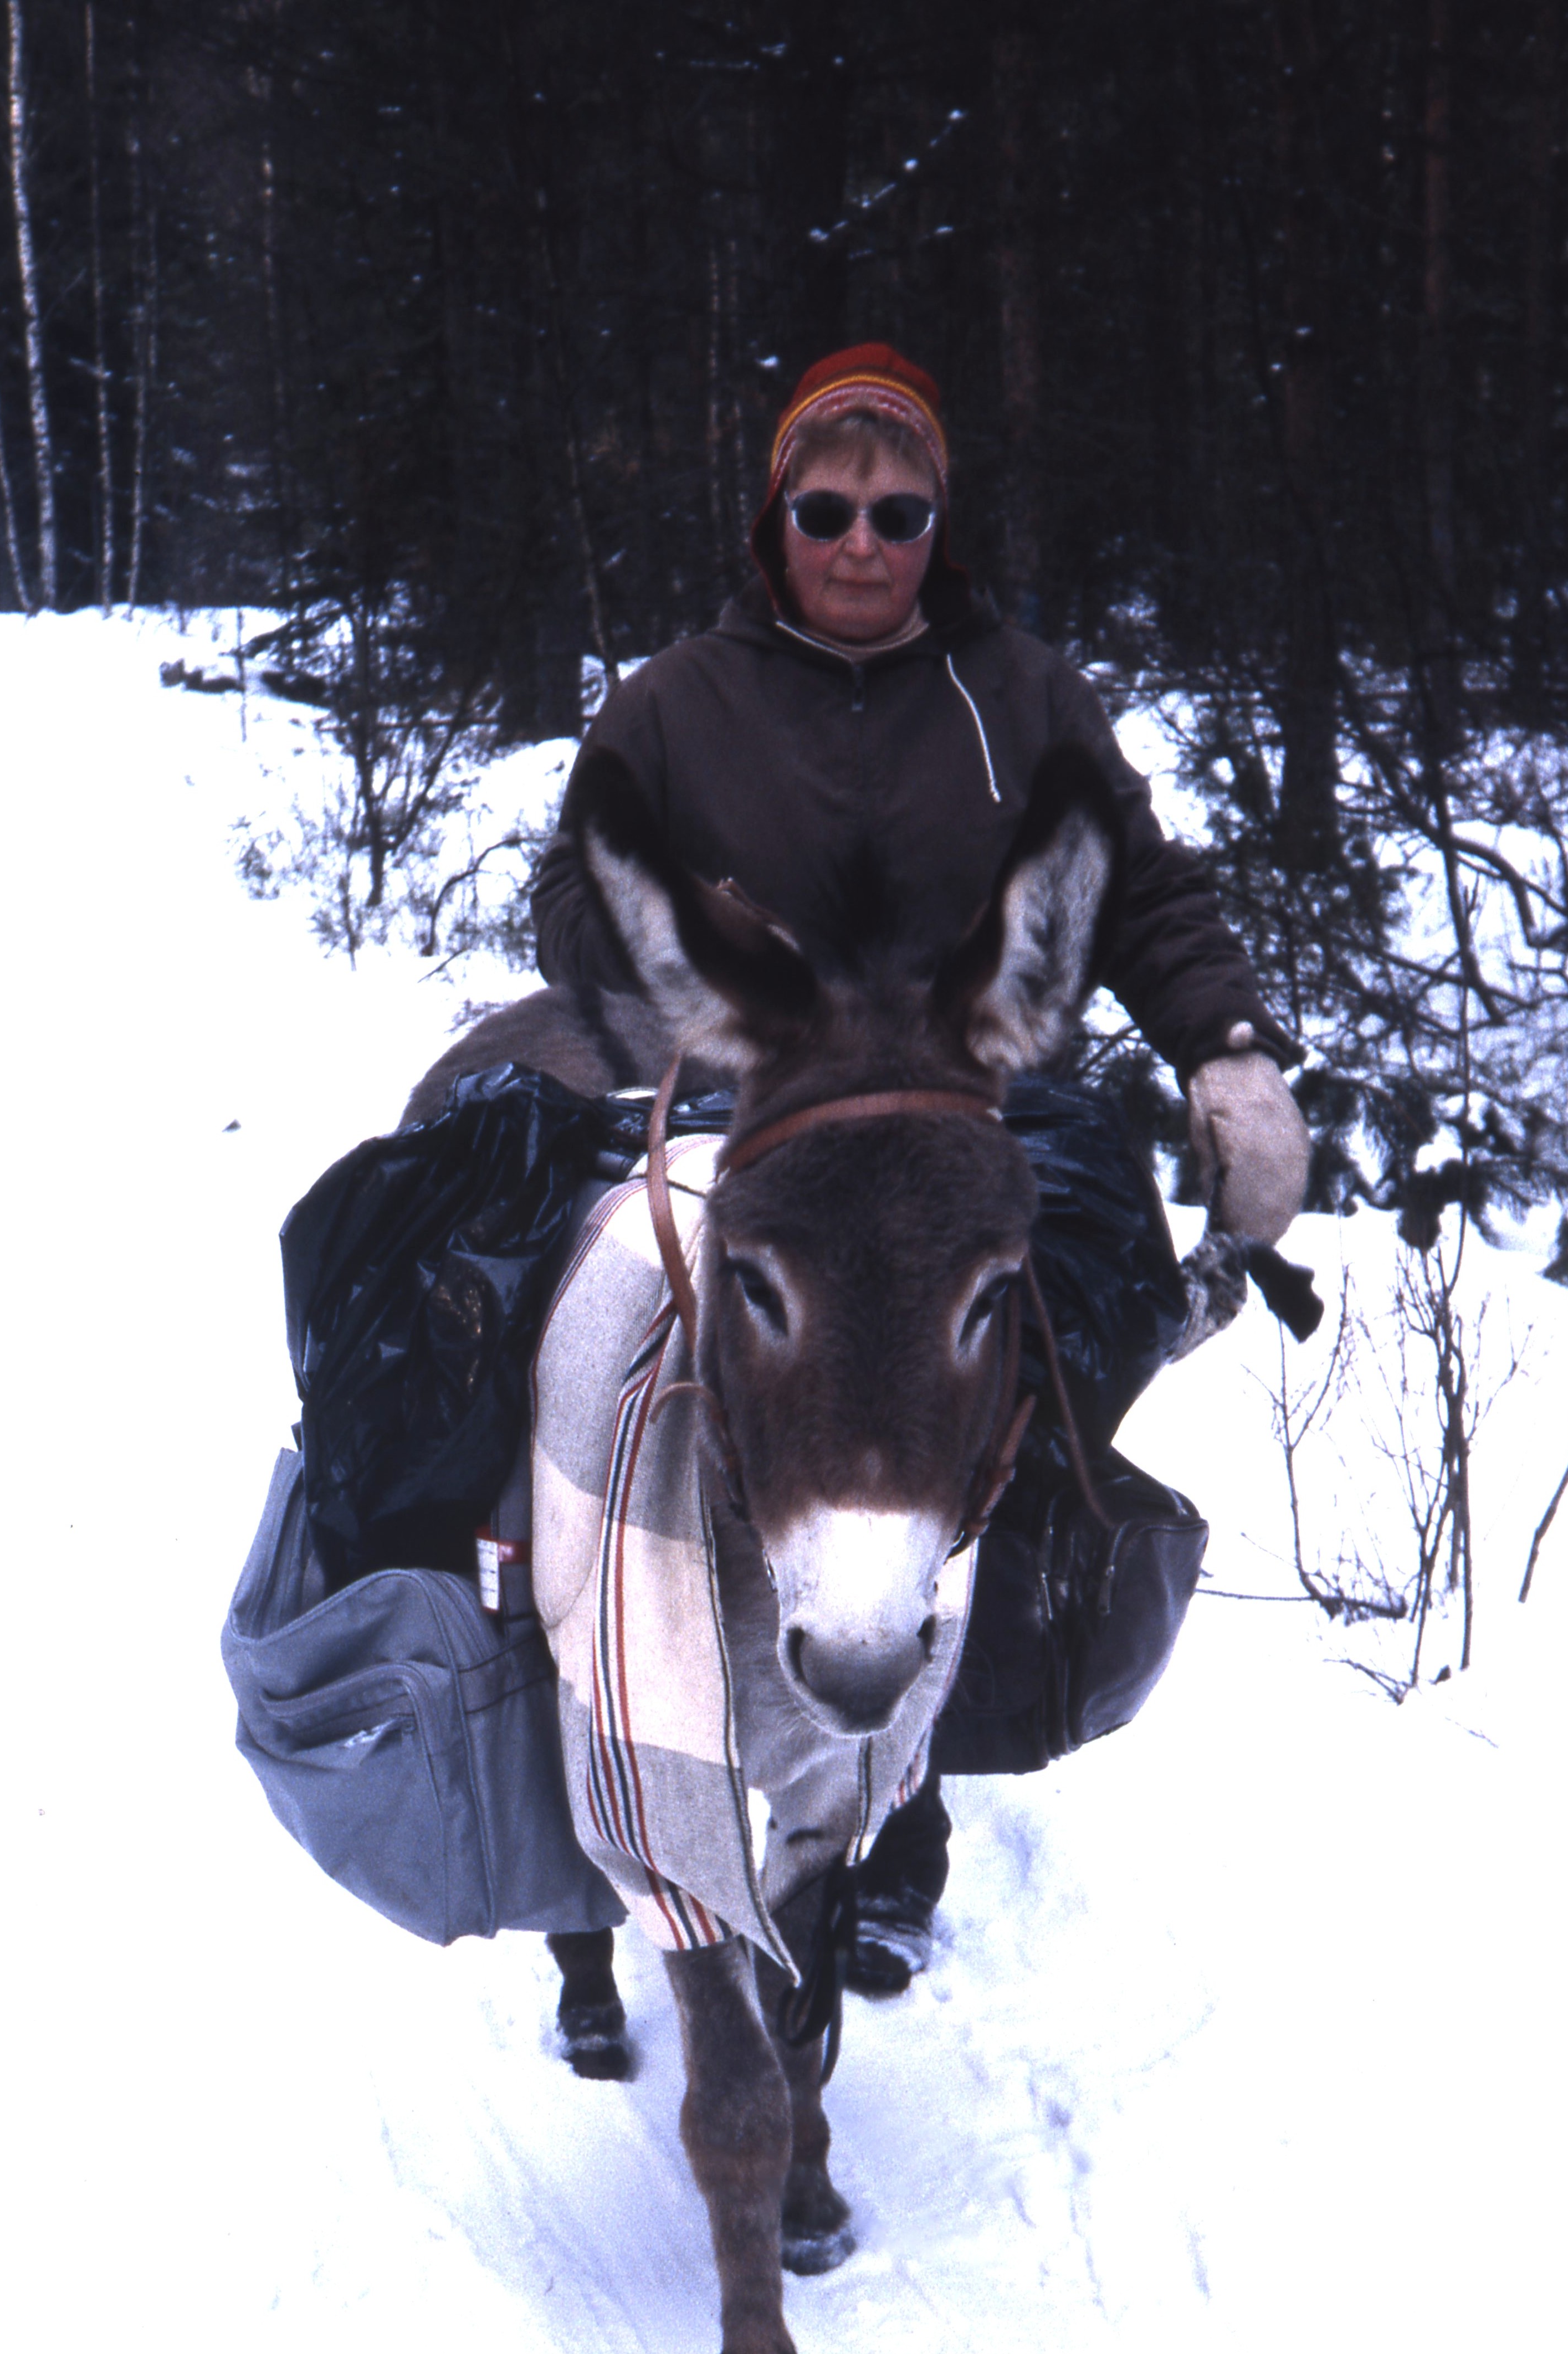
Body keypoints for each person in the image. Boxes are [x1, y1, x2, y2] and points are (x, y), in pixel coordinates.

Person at [530, 343, 1309, 1982]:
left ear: (940, 525)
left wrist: (1229, 1048)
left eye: (900, 513)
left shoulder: (1022, 693)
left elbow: (1142, 887)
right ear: (777, 519)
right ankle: (591, 1766)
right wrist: (700, 979)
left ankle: (915, 1779)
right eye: (827, 509)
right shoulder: (676, 700)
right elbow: (574, 905)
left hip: (973, 1096)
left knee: (1042, 1343)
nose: (863, 543)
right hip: (749, 1091)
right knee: (578, 1344)